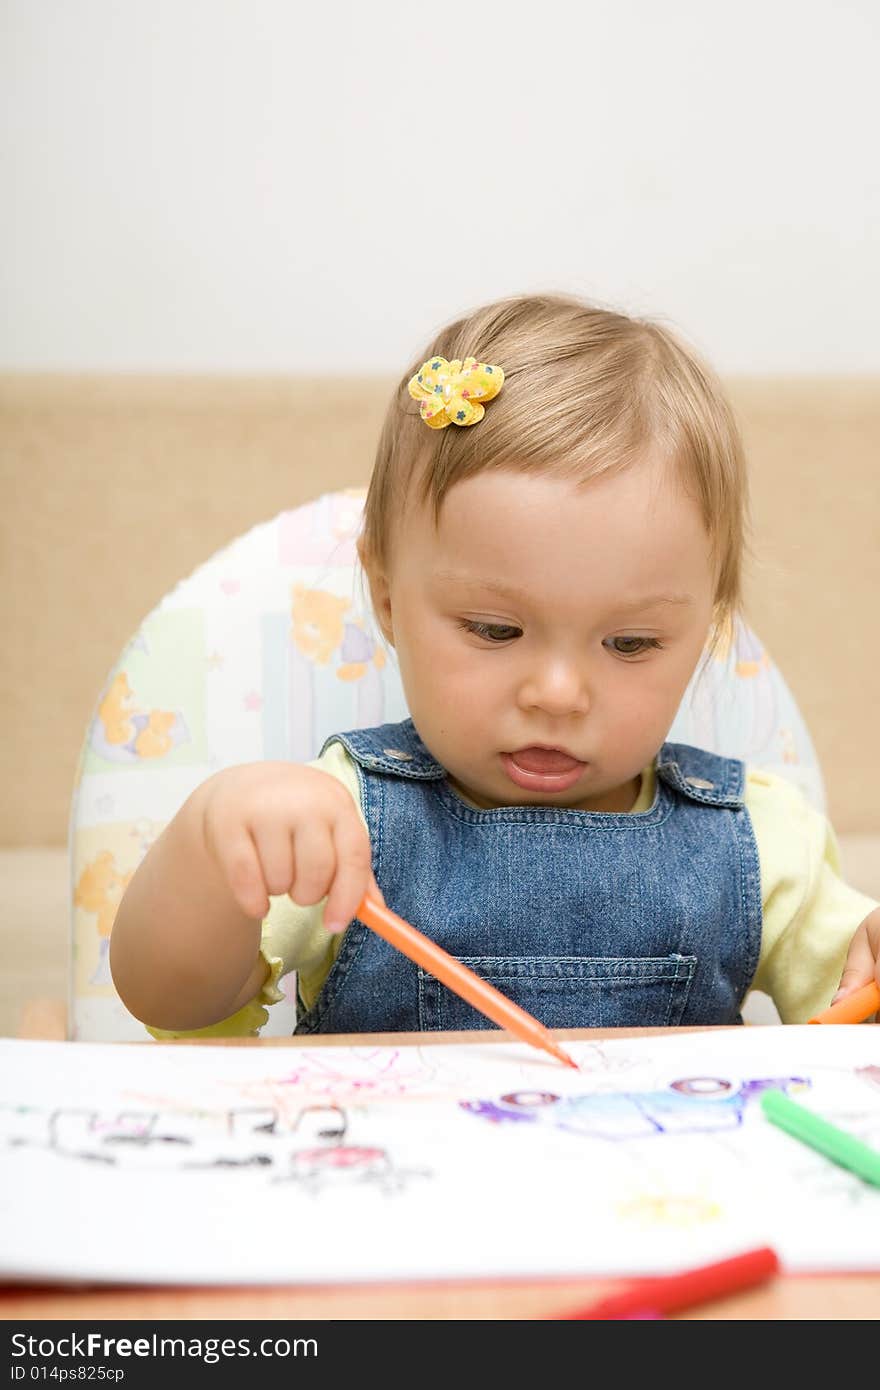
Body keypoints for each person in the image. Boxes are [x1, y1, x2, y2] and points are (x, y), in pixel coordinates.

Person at [109, 292, 880, 1039]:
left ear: (708, 629)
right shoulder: (340, 824)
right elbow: (175, 1003)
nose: (556, 694)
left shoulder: (757, 841)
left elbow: (857, 1008)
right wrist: (213, 841)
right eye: (494, 629)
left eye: (631, 644)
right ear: (385, 596)